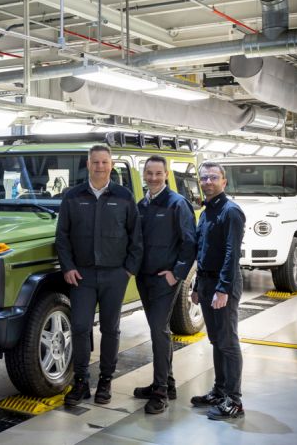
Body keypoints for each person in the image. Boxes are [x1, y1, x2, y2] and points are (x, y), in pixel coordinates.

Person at [55, 144, 143, 406]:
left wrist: (128, 270)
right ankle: (81, 381)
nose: (100, 167)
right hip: (82, 276)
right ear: (88, 164)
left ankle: (105, 380)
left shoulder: (124, 196)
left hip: (115, 275)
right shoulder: (73, 196)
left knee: (110, 329)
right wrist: (68, 267)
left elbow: (136, 236)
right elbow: (62, 236)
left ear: (111, 165)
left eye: (105, 162)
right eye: (95, 162)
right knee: (80, 327)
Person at [133, 156, 197, 414]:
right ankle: (167, 383)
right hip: (144, 277)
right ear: (144, 174)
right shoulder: (141, 205)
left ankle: (160, 392)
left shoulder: (177, 204)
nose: (153, 178)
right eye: (149, 173)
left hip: (164, 280)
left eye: (158, 173)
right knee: (158, 330)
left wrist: (176, 273)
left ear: (166, 175)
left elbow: (189, 242)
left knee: (159, 331)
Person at [190, 161, 246, 420]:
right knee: (216, 341)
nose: (208, 182)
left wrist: (222, 289)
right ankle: (220, 390)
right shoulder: (207, 212)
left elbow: (231, 254)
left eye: (213, 177)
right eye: (204, 178)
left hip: (224, 285)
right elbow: (203, 251)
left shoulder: (230, 212)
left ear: (224, 181)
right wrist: (196, 285)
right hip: (206, 283)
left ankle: (234, 400)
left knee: (228, 342)